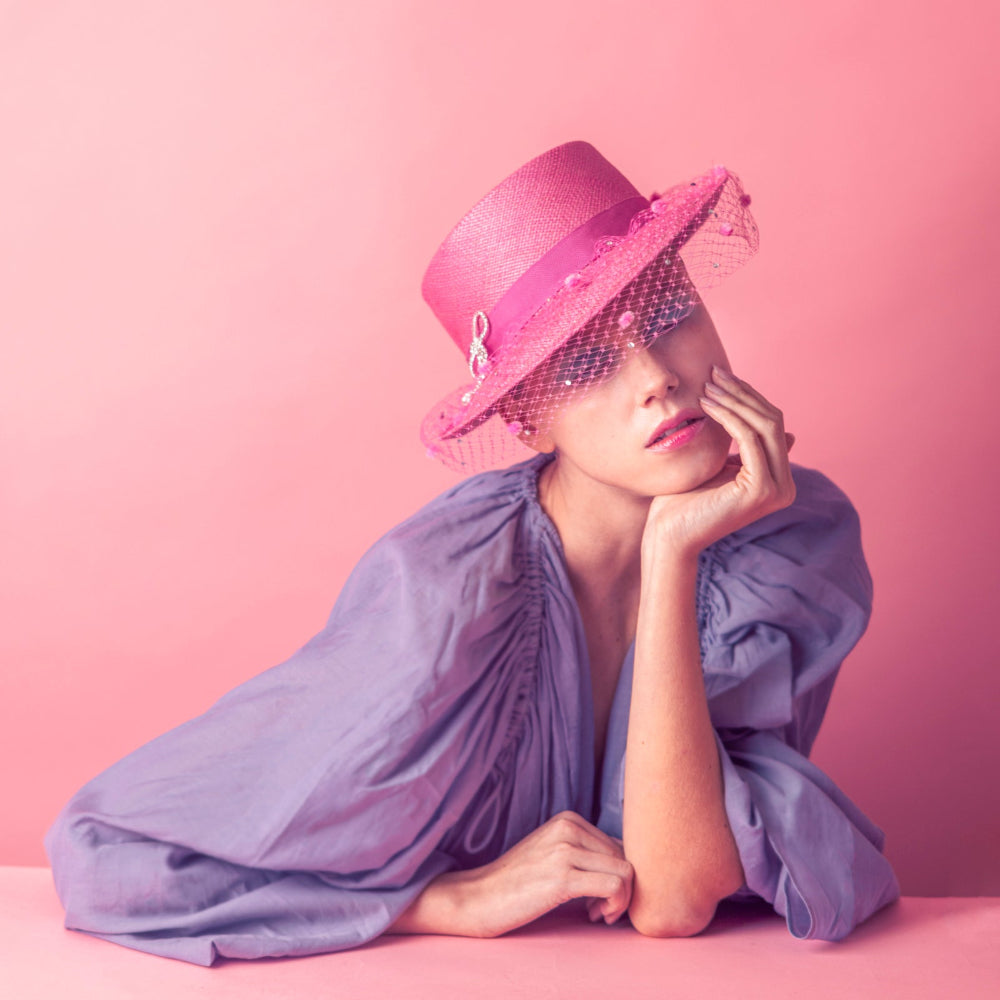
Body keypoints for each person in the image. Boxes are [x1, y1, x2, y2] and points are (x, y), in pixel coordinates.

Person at [45, 140, 901, 966]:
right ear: (527, 420)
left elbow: (675, 894)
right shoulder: (445, 596)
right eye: (586, 361)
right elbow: (107, 851)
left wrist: (673, 552)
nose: (655, 377)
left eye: (671, 315)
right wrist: (443, 904)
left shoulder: (786, 536)